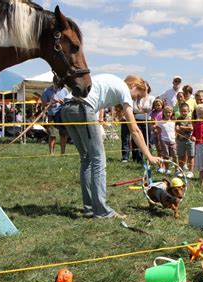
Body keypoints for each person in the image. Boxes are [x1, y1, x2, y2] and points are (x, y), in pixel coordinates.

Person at [61, 74, 161, 219]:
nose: (135, 99)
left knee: (87, 158)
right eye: (137, 95)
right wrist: (149, 156)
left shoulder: (112, 82)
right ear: (134, 86)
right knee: (98, 160)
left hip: (66, 109)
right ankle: (101, 211)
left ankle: (90, 208)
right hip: (82, 108)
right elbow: (134, 129)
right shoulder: (124, 89)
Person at [41, 76, 70, 155]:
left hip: (62, 115)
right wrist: (51, 102)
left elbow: (69, 102)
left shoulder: (64, 90)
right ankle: (51, 153)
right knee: (52, 135)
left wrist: (63, 102)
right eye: (57, 84)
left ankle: (63, 153)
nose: (59, 86)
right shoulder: (47, 91)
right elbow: (43, 104)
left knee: (63, 135)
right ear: (54, 82)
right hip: (52, 115)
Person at [155, 105, 177, 174]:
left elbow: (176, 131)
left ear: (172, 113)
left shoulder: (174, 122)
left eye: (169, 112)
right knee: (166, 156)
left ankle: (177, 170)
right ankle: (167, 169)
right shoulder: (161, 122)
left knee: (175, 155)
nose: (168, 114)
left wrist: (175, 138)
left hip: (173, 140)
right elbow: (158, 132)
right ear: (163, 113)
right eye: (166, 112)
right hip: (164, 140)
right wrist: (159, 141)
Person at [175, 103, 195, 178]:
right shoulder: (178, 119)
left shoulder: (190, 119)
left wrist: (182, 127)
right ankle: (180, 170)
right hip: (180, 140)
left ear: (188, 111)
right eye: (182, 111)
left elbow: (191, 128)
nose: (184, 113)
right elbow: (177, 129)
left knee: (191, 156)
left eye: (185, 111)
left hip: (190, 140)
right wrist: (186, 127)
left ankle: (190, 171)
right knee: (181, 156)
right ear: (179, 111)